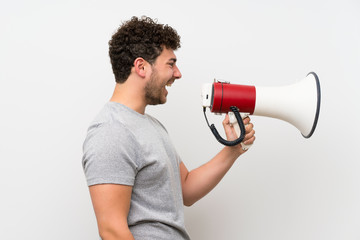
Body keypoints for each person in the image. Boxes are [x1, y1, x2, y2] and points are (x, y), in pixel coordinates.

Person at [82, 16, 255, 240]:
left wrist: (233, 149)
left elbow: (187, 189)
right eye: (171, 64)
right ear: (141, 66)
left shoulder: (152, 126)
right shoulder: (111, 131)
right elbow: (112, 230)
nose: (178, 73)